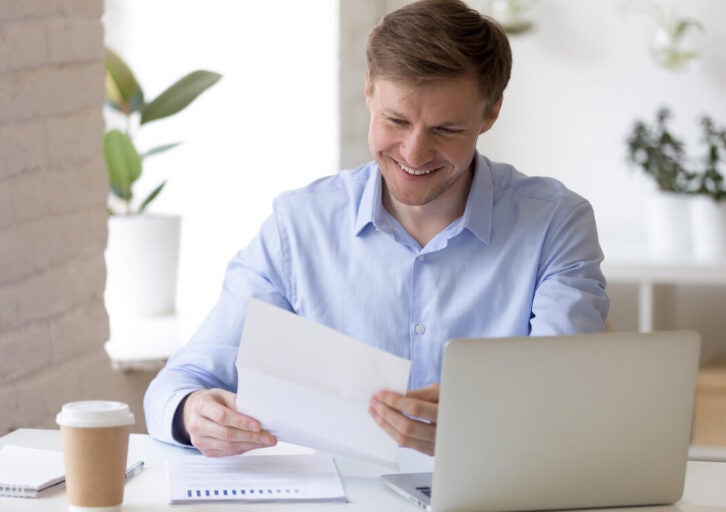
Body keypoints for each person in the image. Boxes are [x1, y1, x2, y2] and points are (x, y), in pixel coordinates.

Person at [144, 0, 608, 459]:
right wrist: (193, 415)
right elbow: (181, 381)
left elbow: (567, 395)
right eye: (396, 120)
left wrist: (485, 418)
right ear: (368, 92)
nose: (414, 153)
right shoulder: (299, 227)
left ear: (490, 115)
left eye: (446, 129)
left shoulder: (554, 224)